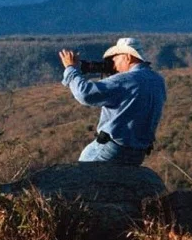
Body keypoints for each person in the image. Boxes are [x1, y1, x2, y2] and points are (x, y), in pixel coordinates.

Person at [59, 37, 166, 166]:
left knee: (81, 179)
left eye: (115, 57)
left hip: (112, 150)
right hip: (138, 154)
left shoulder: (126, 80)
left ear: (127, 57)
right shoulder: (158, 80)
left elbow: (85, 94)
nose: (113, 63)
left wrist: (71, 69)